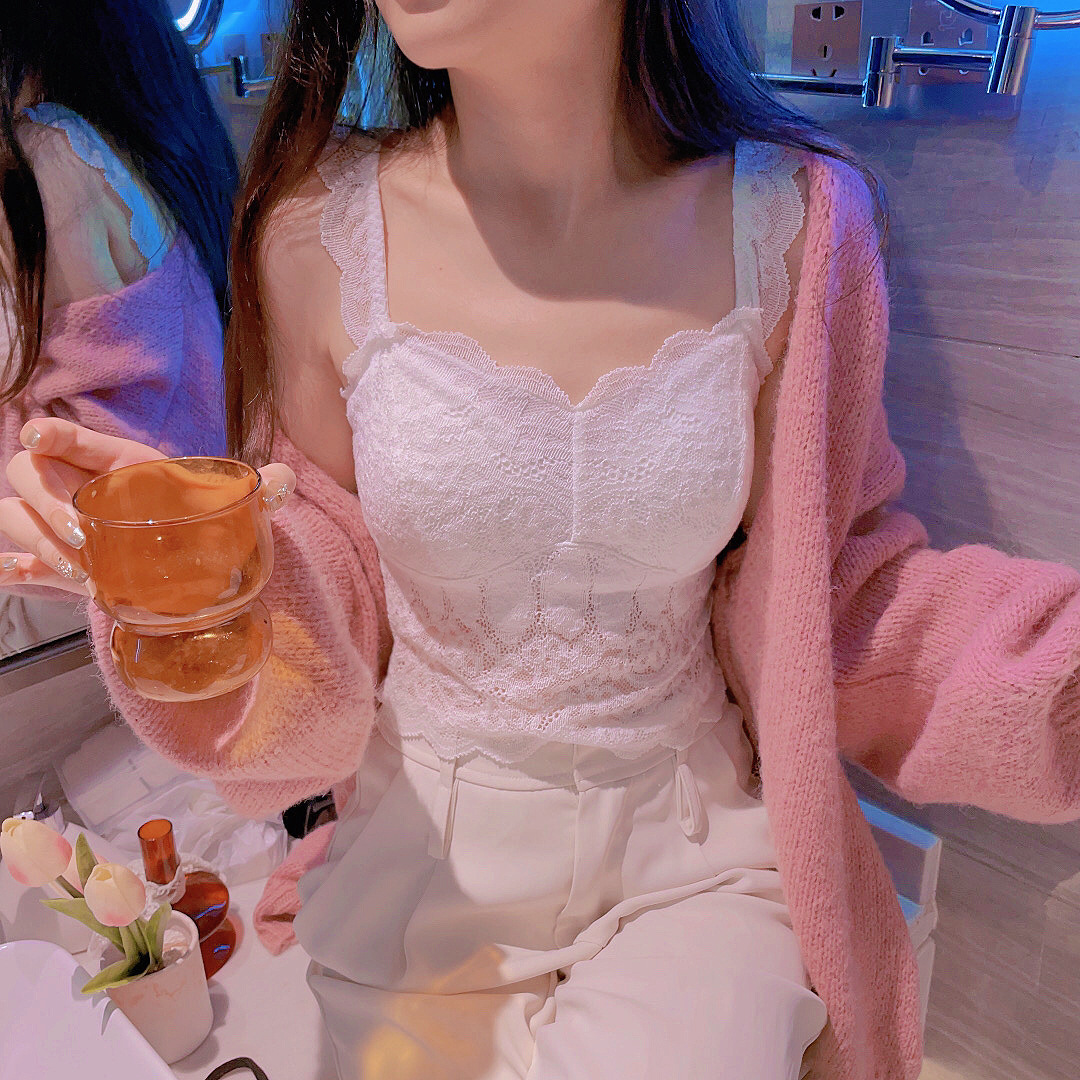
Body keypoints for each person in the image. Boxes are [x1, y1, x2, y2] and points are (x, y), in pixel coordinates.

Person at [3, 2, 1080, 1080]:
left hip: (693, 844)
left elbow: (830, 593)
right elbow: (328, 565)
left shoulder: (794, 223)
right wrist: (196, 589)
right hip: (424, 854)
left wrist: (1056, 687)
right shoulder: (315, 232)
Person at [0, 0, 236, 648]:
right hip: (179, 551)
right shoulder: (155, 134)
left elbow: (69, 449)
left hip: (86, 590)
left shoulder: (48, 157)